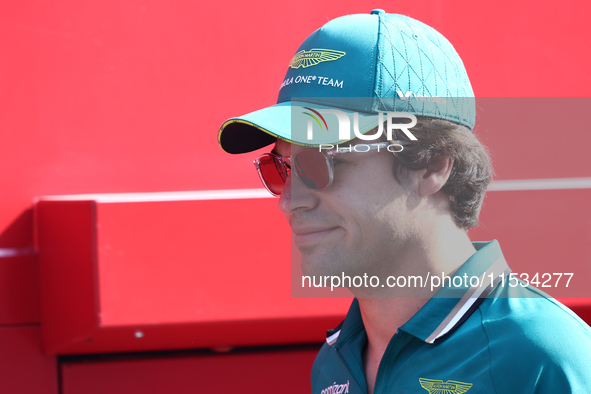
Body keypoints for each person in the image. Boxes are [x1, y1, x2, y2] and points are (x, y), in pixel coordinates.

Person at [217, 10, 591, 393]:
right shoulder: (336, 363)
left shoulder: (542, 358)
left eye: (317, 162)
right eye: (280, 168)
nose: (289, 201)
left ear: (432, 165)